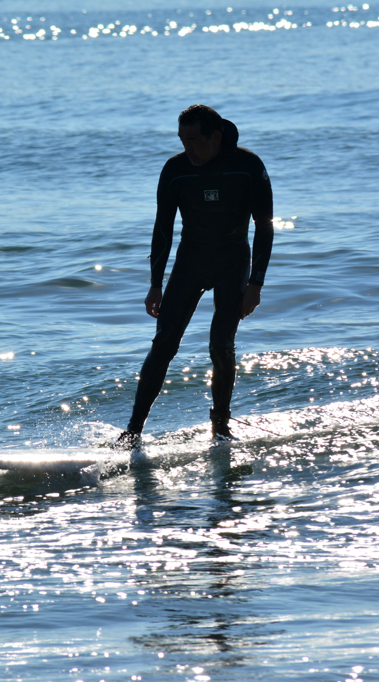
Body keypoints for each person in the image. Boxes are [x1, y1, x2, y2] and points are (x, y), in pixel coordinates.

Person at [115, 104, 273, 448]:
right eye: (181, 139)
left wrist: (255, 284)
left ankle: (220, 428)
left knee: (220, 344)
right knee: (163, 345)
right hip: (191, 261)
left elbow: (264, 227)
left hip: (233, 262)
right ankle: (132, 432)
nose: (187, 148)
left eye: (193, 139)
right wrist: (155, 284)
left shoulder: (247, 167)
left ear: (215, 137)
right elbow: (163, 230)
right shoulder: (175, 170)